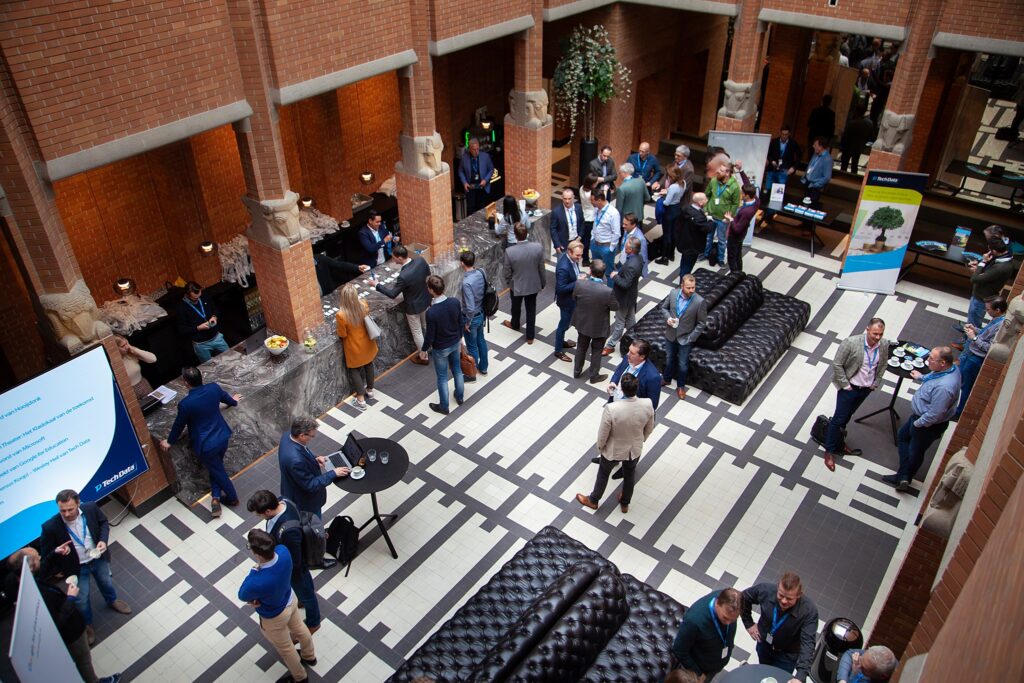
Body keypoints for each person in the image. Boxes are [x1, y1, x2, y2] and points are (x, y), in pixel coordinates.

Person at [6, 547, 121, 683]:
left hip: (64, 632)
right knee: (83, 661)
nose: (40, 557)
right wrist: (71, 598)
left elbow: (40, 570)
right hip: (71, 633)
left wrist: (54, 553)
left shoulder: (16, 580)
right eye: (38, 557)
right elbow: (57, 621)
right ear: (30, 567)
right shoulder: (38, 596)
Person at [40, 489, 132, 646]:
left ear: (78, 503)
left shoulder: (90, 508)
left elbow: (103, 523)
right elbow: (47, 553)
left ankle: (112, 601)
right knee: (81, 600)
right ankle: (87, 624)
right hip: (76, 568)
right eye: (62, 510)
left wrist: (103, 540)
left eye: (70, 509)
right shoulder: (50, 527)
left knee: (106, 582)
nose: (67, 514)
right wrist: (58, 554)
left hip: (98, 558)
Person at [160, 366, 242, 517]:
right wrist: (234, 401)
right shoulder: (213, 388)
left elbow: (179, 425)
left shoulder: (185, 404)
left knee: (218, 471)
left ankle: (232, 498)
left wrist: (169, 441)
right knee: (215, 469)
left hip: (206, 445)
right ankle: (216, 498)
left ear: (185, 382)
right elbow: (227, 399)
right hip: (222, 437)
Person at [238, 529, 316, 683]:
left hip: (274, 616)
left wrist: (255, 569)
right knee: (300, 628)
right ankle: (309, 656)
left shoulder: (257, 580)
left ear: (257, 554)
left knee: (287, 649)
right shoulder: (284, 551)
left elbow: (242, 594)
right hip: (290, 599)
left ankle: (300, 678)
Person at [575, 373, 654, 514]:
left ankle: (593, 500)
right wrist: (640, 440)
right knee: (629, 475)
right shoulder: (647, 404)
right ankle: (625, 503)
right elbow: (649, 428)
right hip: (633, 449)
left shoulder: (612, 408)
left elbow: (603, 432)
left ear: (622, 390)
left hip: (613, 449)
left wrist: (600, 447)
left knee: (604, 473)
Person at [883, 346, 960, 492]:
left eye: (931, 359)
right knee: (903, 437)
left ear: (943, 362)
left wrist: (918, 424)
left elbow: (935, 414)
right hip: (920, 419)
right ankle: (904, 473)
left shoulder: (944, 388)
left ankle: (904, 477)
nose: (927, 360)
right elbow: (935, 376)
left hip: (926, 424)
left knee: (915, 451)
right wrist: (922, 377)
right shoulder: (951, 369)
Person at [247, 490, 321, 634]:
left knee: (307, 593)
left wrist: (281, 571)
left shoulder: (288, 530)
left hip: (296, 569)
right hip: (291, 561)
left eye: (259, 514)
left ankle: (314, 622)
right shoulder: (283, 500)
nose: (258, 516)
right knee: (303, 591)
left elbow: (296, 561)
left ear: (268, 511)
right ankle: (302, 599)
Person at [824, 319, 890, 472]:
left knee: (848, 416)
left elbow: (883, 364)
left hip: (865, 388)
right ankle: (829, 450)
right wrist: (845, 384)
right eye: (875, 334)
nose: (878, 337)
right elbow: (837, 364)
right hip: (849, 388)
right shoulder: (851, 342)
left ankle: (839, 442)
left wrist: (876, 382)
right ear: (867, 329)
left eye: (881, 334)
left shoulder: (884, 345)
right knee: (839, 418)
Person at [741, 572, 819, 683]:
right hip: (764, 645)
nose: (783, 601)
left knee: (780, 679)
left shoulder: (808, 611)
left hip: (787, 656)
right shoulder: (765, 590)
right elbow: (743, 598)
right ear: (778, 587)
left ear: (799, 595)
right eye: (781, 595)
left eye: (789, 598)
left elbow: (808, 644)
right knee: (764, 672)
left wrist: (800, 676)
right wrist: (748, 623)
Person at [370, 243, 431, 365]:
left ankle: (423, 357)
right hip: (425, 299)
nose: (393, 259)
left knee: (417, 332)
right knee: (427, 325)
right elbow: (428, 275)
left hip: (413, 307)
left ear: (400, 258)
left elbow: (392, 294)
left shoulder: (403, 276)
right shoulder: (420, 260)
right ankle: (433, 344)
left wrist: (376, 285)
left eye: (393, 257)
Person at [278, 417, 349, 517]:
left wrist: (314, 459)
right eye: (312, 436)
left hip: (291, 486)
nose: (313, 438)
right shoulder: (296, 461)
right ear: (302, 435)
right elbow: (310, 485)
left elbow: (303, 451)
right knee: (314, 523)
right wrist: (333, 473)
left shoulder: (287, 436)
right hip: (304, 501)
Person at [671, 587, 742, 680]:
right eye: (725, 618)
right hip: (702, 670)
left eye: (733, 620)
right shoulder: (694, 621)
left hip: (716, 662)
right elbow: (679, 650)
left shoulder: (730, 599)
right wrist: (698, 674)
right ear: (717, 603)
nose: (729, 623)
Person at [956, 297, 1007, 418]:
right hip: (972, 354)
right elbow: (986, 334)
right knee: (961, 379)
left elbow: (989, 347)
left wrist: (974, 338)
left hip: (976, 359)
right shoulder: (995, 319)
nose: (986, 311)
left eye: (988, 309)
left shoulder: (1000, 326)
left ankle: (959, 412)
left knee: (966, 386)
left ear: (998, 310)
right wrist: (975, 330)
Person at [959, 238, 1014, 346]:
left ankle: (968, 345)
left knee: (974, 323)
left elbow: (975, 279)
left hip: (981, 298)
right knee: (972, 320)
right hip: (980, 293)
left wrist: (982, 264)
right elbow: (987, 274)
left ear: (994, 250)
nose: (987, 252)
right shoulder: (1002, 259)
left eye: (990, 250)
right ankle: (967, 339)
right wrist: (980, 267)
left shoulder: (1001, 267)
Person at [423, 274, 465, 415]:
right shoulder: (454, 302)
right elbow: (460, 322)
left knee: (442, 377)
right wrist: (460, 338)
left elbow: (430, 335)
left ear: (430, 290)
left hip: (440, 348)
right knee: (457, 370)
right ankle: (459, 397)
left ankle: (444, 406)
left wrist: (423, 349)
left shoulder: (431, 312)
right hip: (455, 342)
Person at [660, 274, 707, 401]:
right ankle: (666, 379)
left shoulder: (699, 301)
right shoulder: (673, 294)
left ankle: (681, 386)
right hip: (670, 334)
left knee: (682, 364)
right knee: (669, 358)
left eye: (693, 287)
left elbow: (702, 323)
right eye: (688, 288)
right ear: (682, 286)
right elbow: (664, 308)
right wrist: (668, 318)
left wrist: (691, 337)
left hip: (685, 338)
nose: (691, 290)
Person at [572, 259, 618, 383]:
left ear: (590, 271)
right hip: (599, 326)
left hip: (583, 323)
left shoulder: (580, 284)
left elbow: (574, 297)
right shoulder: (608, 291)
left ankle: (577, 371)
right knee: (597, 351)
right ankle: (594, 376)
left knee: (581, 347)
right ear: (603, 274)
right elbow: (615, 307)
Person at [335, 283, 378, 411]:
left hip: (354, 347)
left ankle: (360, 399)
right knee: (369, 364)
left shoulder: (341, 315)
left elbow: (342, 334)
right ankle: (370, 390)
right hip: (367, 344)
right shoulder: (363, 305)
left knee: (355, 371)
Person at [502, 223, 546, 344]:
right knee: (531, 310)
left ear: (515, 236)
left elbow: (507, 271)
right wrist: (543, 282)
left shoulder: (510, 251)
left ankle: (515, 324)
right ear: (527, 233)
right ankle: (530, 336)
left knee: (515, 307)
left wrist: (509, 282)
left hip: (516, 285)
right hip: (533, 284)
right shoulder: (537, 247)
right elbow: (541, 267)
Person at [603, 236, 643, 356]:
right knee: (630, 319)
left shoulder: (631, 264)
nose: (624, 246)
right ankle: (635, 340)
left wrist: (615, 276)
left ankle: (610, 345)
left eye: (626, 245)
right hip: (631, 296)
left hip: (624, 298)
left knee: (620, 323)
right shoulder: (639, 258)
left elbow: (625, 284)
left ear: (630, 249)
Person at [176, 281, 228, 362]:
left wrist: (214, 317)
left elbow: (214, 309)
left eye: (199, 295)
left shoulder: (204, 296)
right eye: (195, 298)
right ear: (187, 295)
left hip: (216, 337)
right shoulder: (181, 308)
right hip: (201, 344)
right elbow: (182, 329)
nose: (198, 299)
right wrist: (198, 328)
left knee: (230, 357)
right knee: (208, 368)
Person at [609, 339, 663, 412]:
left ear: (642, 357)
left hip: (631, 415)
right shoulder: (628, 358)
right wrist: (613, 382)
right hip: (614, 406)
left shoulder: (653, 377)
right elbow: (618, 372)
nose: (628, 354)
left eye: (632, 353)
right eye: (629, 350)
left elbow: (652, 405)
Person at [554, 240, 585, 362]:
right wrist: (578, 282)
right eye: (577, 255)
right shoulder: (563, 267)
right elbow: (561, 288)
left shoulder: (573, 260)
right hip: (566, 301)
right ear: (569, 252)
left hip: (572, 299)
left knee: (566, 323)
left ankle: (561, 342)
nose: (579, 257)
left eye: (581, 254)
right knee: (563, 325)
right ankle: (558, 350)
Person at [460, 250, 489, 376]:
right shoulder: (481, 272)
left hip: (472, 318)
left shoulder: (466, 283)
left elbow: (470, 308)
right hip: (482, 312)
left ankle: (472, 372)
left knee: (472, 346)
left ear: (462, 263)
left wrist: (467, 322)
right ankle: (484, 367)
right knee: (481, 340)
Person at [704, 162, 739, 266]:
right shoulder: (714, 181)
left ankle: (720, 259)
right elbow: (707, 195)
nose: (717, 172)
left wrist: (729, 217)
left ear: (728, 173)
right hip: (710, 215)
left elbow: (735, 204)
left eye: (721, 171)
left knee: (722, 240)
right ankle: (705, 254)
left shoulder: (734, 187)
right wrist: (705, 209)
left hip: (722, 219)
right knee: (708, 237)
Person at [723, 183, 760, 273]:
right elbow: (747, 182)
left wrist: (731, 219)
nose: (741, 194)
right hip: (742, 235)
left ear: (747, 195)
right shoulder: (756, 202)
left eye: (743, 193)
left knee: (732, 257)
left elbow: (737, 229)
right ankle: (739, 274)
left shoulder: (747, 211)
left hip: (735, 236)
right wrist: (741, 171)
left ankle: (735, 275)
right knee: (738, 255)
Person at [677, 192, 716, 276]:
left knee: (684, 262)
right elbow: (707, 228)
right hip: (693, 246)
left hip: (684, 241)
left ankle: (682, 276)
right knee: (688, 266)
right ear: (700, 202)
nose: (707, 200)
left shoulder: (686, 208)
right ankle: (683, 283)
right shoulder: (699, 217)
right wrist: (710, 221)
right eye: (705, 199)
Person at [655, 164, 686, 266]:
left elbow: (666, 202)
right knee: (673, 233)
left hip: (669, 211)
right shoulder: (683, 183)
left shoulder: (673, 187)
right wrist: (668, 191)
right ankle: (671, 254)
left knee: (667, 234)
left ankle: (664, 257)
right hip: (677, 208)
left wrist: (661, 198)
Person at [590, 184, 621, 282]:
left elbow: (617, 233)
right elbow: (595, 225)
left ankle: (609, 294)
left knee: (608, 273)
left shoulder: (613, 213)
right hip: (595, 244)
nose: (591, 202)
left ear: (599, 200)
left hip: (606, 247)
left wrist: (610, 249)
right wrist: (592, 238)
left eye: (592, 200)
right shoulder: (596, 209)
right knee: (595, 271)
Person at [113, 334, 157, 400]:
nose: (126, 347)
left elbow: (153, 359)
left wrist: (132, 348)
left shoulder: (130, 353)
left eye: (126, 344)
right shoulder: (115, 363)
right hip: (130, 392)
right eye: (123, 346)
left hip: (143, 385)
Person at [458, 137, 494, 214]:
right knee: (470, 209)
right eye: (474, 149)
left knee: (481, 208)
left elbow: (491, 169)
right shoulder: (464, 158)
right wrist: (464, 182)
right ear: (470, 149)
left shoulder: (485, 156)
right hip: (470, 187)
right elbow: (460, 171)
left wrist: (486, 180)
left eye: (478, 149)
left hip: (482, 186)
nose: (477, 151)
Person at [765, 124, 801, 193]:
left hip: (784, 170)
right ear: (780, 133)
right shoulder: (774, 141)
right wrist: (772, 161)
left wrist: (793, 167)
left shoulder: (793, 143)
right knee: (767, 189)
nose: (784, 136)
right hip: (772, 169)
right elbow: (768, 154)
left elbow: (799, 156)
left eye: (786, 134)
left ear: (789, 134)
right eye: (783, 134)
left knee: (779, 192)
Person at [616, 162, 651, 229]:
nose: (619, 175)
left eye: (620, 173)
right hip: (639, 216)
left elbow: (619, 209)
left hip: (627, 220)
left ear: (624, 173)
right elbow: (647, 198)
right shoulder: (641, 181)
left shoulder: (622, 188)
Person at [550, 187, 584, 254]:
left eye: (569, 199)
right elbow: (553, 229)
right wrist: (557, 244)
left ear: (573, 197)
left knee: (574, 263)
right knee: (562, 263)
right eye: (565, 199)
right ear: (562, 197)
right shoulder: (556, 211)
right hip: (563, 244)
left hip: (576, 242)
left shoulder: (578, 207)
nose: (567, 201)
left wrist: (580, 236)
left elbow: (582, 222)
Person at [841, 108, 875, 174]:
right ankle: (853, 179)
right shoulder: (869, 123)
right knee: (854, 165)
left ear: (856, 112)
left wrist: (842, 144)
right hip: (859, 147)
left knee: (844, 165)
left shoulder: (852, 123)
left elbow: (845, 136)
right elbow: (871, 137)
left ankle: (841, 177)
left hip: (848, 146)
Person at [616, 211, 649, 277]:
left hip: (629, 268)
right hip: (622, 263)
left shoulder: (640, 239)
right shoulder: (627, 230)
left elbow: (643, 258)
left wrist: (642, 273)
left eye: (626, 224)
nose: (623, 226)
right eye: (623, 223)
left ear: (633, 225)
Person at [802, 137, 833, 203]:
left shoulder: (828, 159)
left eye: (815, 145)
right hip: (807, 184)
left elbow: (827, 177)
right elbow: (810, 166)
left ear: (821, 146)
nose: (813, 146)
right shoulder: (815, 154)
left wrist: (815, 185)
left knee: (811, 206)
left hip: (815, 188)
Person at [579, 172, 599, 265]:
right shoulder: (591, 194)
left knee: (583, 238)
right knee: (587, 239)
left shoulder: (581, 189)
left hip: (583, 214)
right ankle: (585, 259)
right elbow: (595, 204)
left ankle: (584, 257)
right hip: (590, 217)